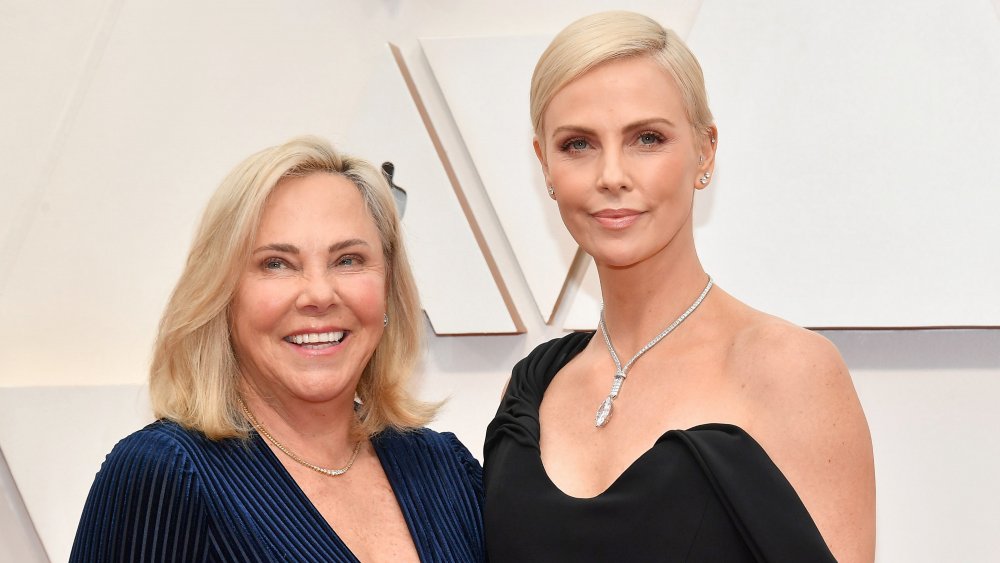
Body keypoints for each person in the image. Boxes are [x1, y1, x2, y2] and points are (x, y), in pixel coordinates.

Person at [484, 11, 875, 562]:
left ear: (705, 150)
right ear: (543, 165)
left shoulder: (791, 371)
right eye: (578, 144)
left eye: (647, 138)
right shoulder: (531, 391)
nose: (612, 175)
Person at [70, 137, 485, 562]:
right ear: (223, 295)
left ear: (388, 288)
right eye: (277, 264)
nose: (319, 294)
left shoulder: (446, 469)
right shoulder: (165, 474)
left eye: (348, 260)